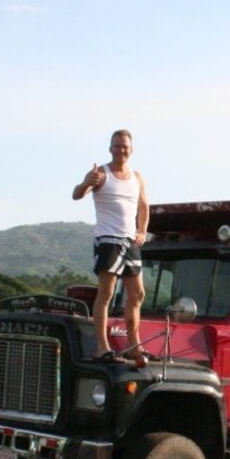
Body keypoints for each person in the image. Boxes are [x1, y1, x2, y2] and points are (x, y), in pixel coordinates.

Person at [72, 129, 149, 361]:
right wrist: (87, 183)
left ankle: (134, 344)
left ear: (131, 149)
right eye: (117, 146)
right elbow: (76, 195)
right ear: (110, 148)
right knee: (106, 293)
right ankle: (102, 346)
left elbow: (144, 206)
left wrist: (142, 230)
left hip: (130, 240)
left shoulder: (137, 177)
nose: (121, 150)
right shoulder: (101, 174)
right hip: (108, 240)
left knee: (137, 293)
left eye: (125, 146)